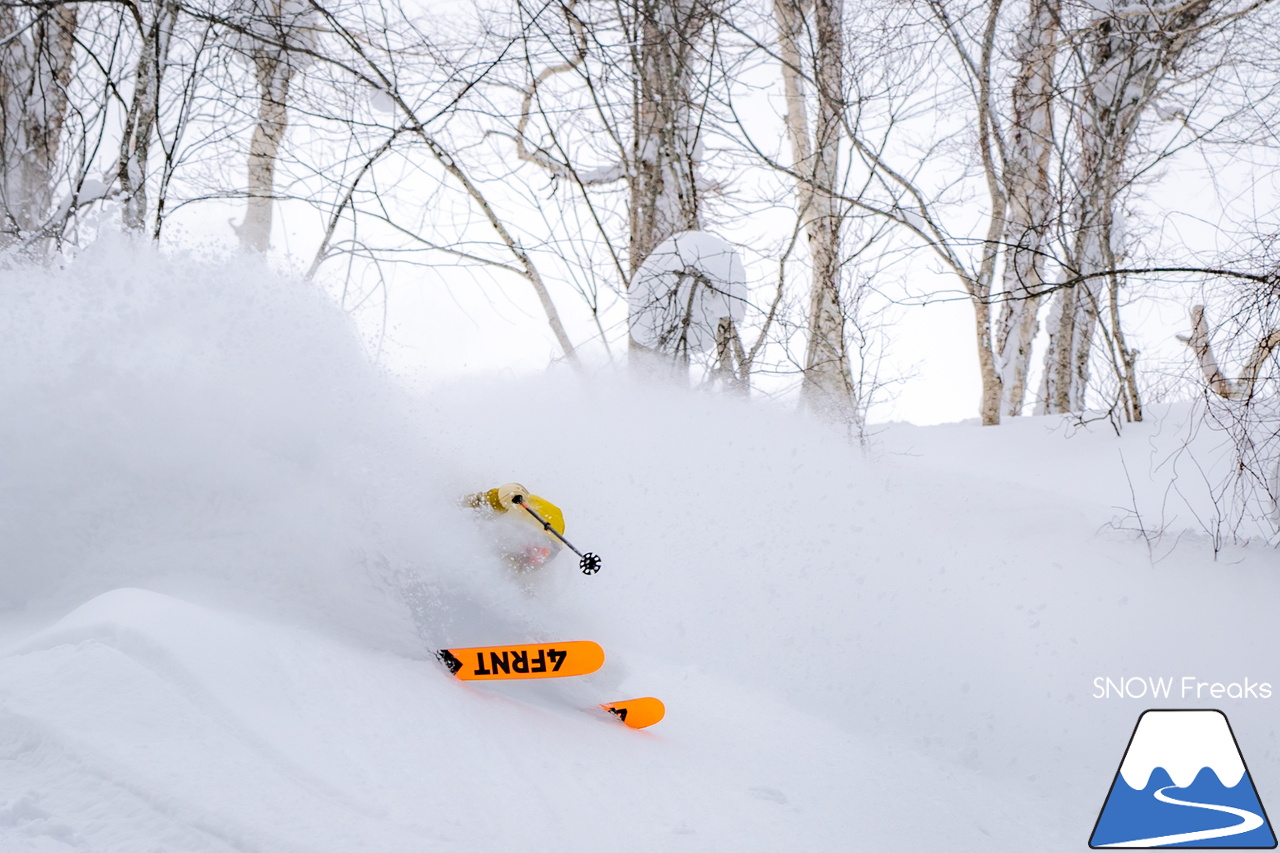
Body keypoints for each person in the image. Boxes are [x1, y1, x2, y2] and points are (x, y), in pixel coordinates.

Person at [463, 482, 566, 572]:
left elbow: (508, 491)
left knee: (508, 563)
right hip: (551, 541)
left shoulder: (507, 502)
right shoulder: (513, 505)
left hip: (539, 532)